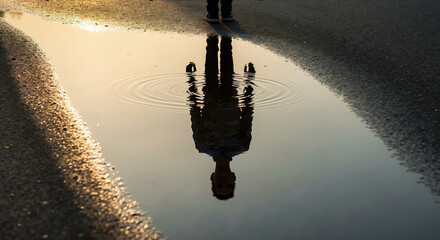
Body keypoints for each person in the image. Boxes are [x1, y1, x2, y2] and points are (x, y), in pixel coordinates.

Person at [186, 35, 255, 200]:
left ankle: (213, 26)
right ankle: (225, 21)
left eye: (219, 185)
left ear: (212, 178)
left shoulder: (202, 145)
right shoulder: (241, 145)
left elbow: (194, 112)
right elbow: (247, 114)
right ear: (234, 178)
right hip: (230, 92)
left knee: (211, 48)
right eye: (229, 185)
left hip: (209, 92)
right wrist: (249, 82)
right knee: (226, 50)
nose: (224, 182)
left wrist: (191, 80)